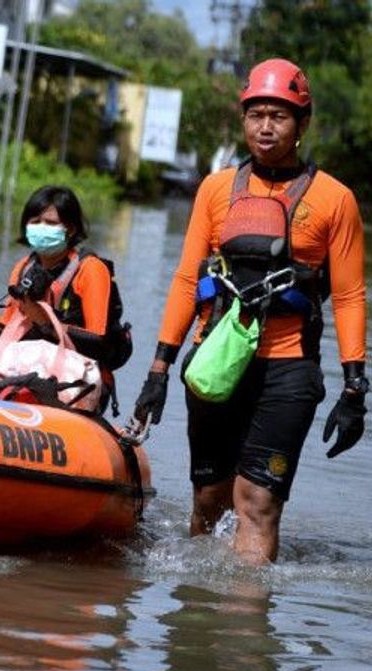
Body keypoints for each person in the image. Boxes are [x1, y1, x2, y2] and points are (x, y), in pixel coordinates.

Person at [130, 58, 367, 564]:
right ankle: (195, 621)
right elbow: (187, 279)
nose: (265, 126)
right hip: (216, 359)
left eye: (279, 116)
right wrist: (158, 370)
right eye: (255, 113)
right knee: (209, 500)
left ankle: (244, 636)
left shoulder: (336, 200)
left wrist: (354, 388)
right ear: (242, 119)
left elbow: (348, 295)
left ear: (302, 124)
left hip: (290, 367)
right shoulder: (215, 190)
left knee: (258, 503)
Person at [0, 185, 131, 414]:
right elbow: (8, 327)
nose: (41, 228)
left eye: (51, 223)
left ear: (70, 229)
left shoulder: (91, 269)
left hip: (80, 380)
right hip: (31, 372)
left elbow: (98, 342)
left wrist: (45, 323)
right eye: (35, 221)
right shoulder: (23, 268)